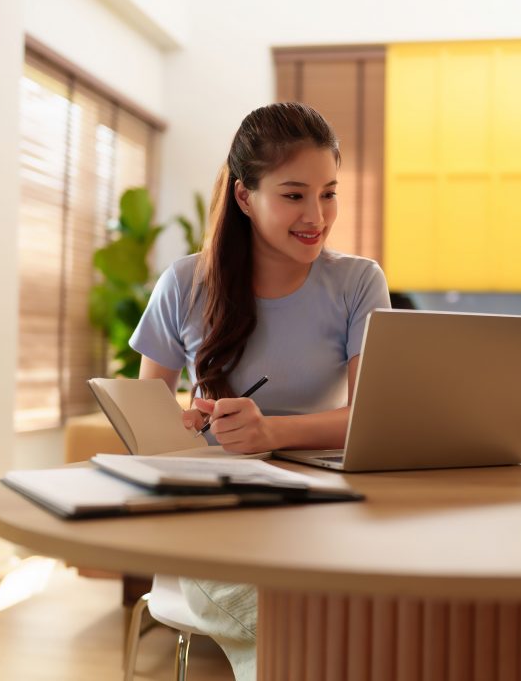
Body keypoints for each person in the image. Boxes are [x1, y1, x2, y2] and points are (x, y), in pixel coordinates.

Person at [128, 101, 391, 679]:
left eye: (329, 193)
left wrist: (271, 431)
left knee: (364, 618)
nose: (316, 215)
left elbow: (371, 415)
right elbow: (146, 423)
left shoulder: (357, 282)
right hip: (214, 516)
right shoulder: (184, 284)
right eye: (294, 194)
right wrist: (186, 423)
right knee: (292, 629)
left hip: (322, 509)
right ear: (245, 197)